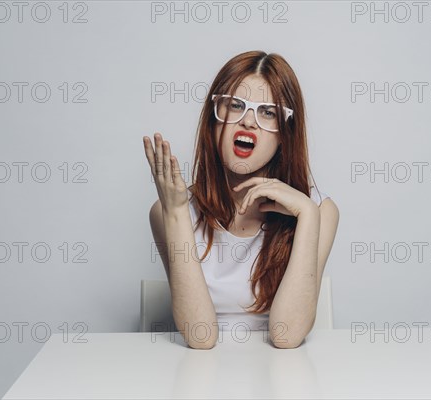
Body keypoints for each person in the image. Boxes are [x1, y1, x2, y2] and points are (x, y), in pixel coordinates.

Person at [143, 50, 339, 349]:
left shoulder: (319, 211)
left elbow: (287, 336)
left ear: (285, 134)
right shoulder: (170, 211)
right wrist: (177, 213)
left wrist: (308, 215)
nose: (248, 122)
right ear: (213, 121)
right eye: (235, 106)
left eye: (268, 112)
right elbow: (200, 337)